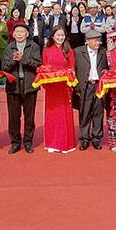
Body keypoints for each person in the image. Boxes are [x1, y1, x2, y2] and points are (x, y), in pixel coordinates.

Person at [2, 22, 42, 153]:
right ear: (13, 34)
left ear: (27, 34)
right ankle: (15, 142)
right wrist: (14, 60)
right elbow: (4, 67)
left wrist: (23, 59)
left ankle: (28, 142)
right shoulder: (9, 47)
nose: (19, 34)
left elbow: (38, 65)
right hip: (13, 86)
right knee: (14, 117)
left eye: (22, 32)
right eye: (17, 32)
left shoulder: (34, 46)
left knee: (29, 117)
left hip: (29, 85)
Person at [40, 26, 77, 154]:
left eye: (62, 35)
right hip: (51, 88)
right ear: (53, 36)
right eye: (58, 35)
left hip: (64, 87)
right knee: (52, 114)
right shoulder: (46, 50)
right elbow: (44, 67)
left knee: (64, 114)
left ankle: (65, 143)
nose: (60, 37)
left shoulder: (69, 51)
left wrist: (68, 74)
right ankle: (52, 143)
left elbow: (72, 68)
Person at [74, 30, 109, 150]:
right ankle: (84, 138)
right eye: (95, 40)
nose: (98, 43)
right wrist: (76, 87)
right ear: (87, 41)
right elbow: (74, 70)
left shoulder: (103, 52)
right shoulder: (78, 52)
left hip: (99, 85)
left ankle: (96, 138)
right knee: (84, 112)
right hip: (85, 86)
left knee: (98, 112)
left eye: (99, 40)